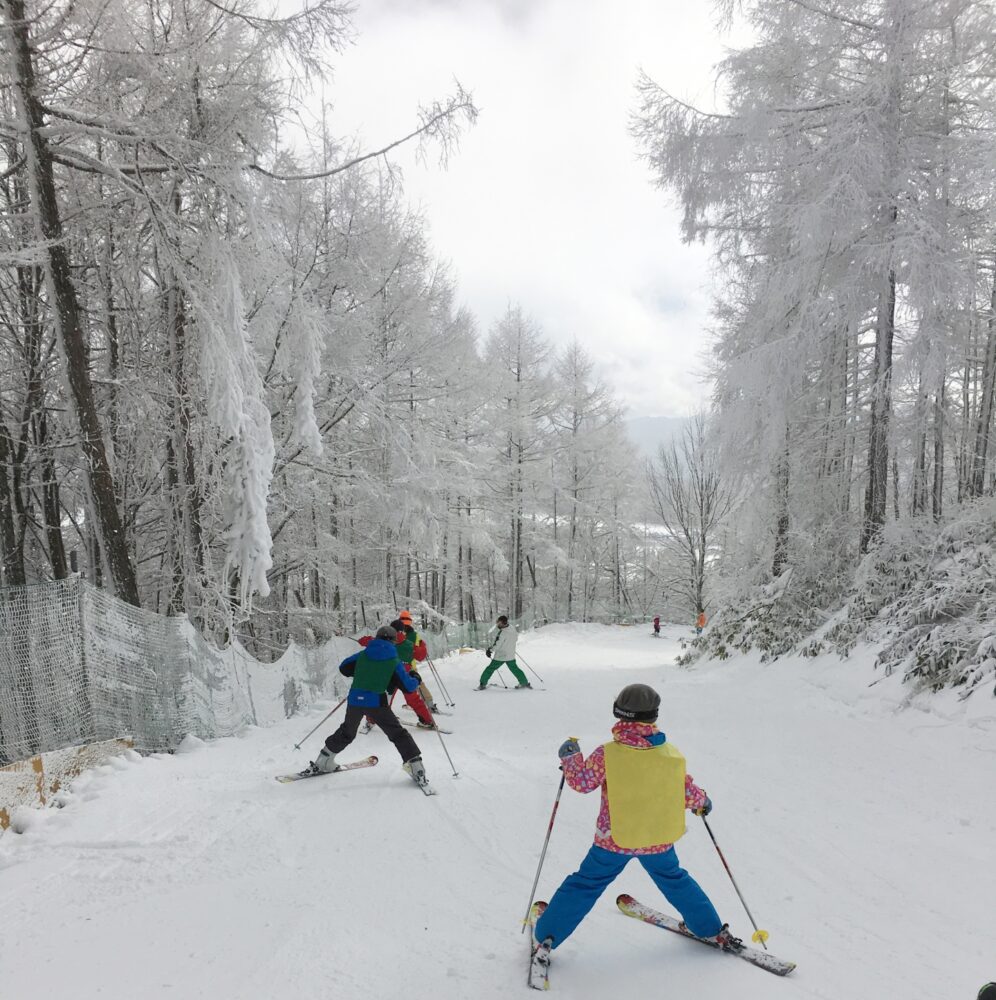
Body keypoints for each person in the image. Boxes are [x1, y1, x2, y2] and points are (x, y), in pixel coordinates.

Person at [533, 683, 739, 957]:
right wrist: (702, 801)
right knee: (675, 879)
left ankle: (548, 935)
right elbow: (685, 790)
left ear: (619, 715)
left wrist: (570, 757)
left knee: (586, 884)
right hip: (658, 838)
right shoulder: (669, 753)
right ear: (653, 716)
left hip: (614, 840)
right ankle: (710, 929)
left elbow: (582, 783)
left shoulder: (607, 753)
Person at [302, 624, 428, 788]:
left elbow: (344, 668)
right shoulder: (393, 660)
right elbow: (408, 686)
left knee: (347, 732)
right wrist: (416, 678)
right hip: (376, 702)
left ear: (376, 638)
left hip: (354, 700)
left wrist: (364, 671)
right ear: (393, 641)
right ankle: (416, 768)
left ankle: (323, 761)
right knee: (398, 734)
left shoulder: (363, 654)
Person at [397, 609, 439, 713]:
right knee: (417, 683)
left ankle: (422, 703)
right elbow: (418, 647)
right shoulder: (415, 635)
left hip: (398, 665)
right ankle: (429, 703)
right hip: (411, 664)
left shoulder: (396, 634)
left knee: (401, 686)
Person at [476, 614, 530, 689]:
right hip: (510, 654)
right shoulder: (512, 628)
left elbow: (497, 645)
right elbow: (515, 639)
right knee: (515, 669)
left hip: (501, 656)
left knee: (490, 669)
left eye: (499, 623)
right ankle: (524, 682)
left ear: (502, 623)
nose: (497, 624)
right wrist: (509, 646)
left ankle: (482, 684)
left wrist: (490, 650)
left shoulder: (503, 633)